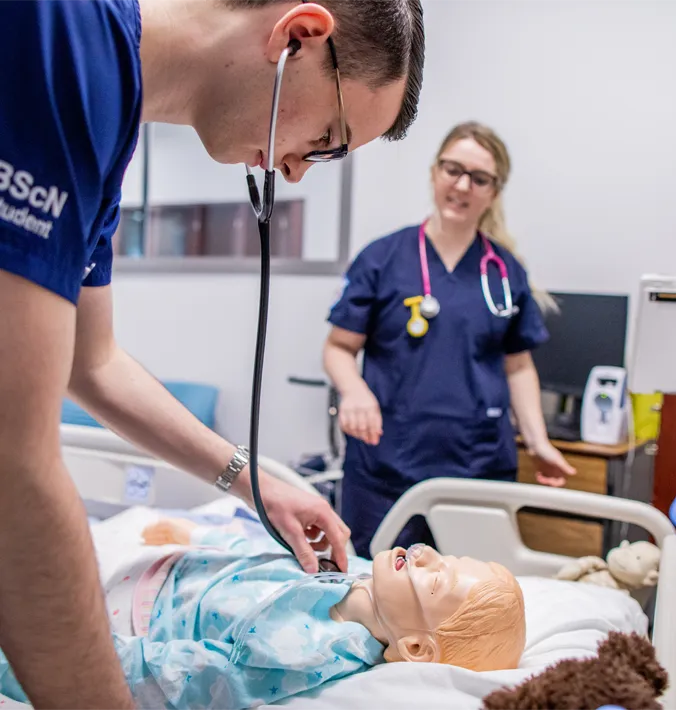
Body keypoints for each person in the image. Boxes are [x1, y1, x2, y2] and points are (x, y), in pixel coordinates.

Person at [0, 0, 425, 707]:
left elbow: (92, 362)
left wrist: (251, 480)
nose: (296, 172)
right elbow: (14, 458)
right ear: (299, 37)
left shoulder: (105, 132)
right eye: (328, 138)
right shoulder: (62, 35)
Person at [323, 121, 576, 558]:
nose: (462, 185)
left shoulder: (504, 271)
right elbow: (339, 348)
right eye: (452, 170)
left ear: (494, 192)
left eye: (479, 178)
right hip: (387, 469)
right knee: (380, 596)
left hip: (477, 470)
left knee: (473, 604)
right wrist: (353, 389)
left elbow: (518, 367)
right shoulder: (383, 258)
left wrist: (538, 441)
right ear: (434, 173)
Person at [0, 515, 526, 709]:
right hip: (177, 562)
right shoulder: (362, 574)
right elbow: (265, 555)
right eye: (446, 556)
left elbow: (177, 675)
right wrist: (200, 535)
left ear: (414, 648)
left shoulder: (304, 653)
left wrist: (31, 663)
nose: (428, 554)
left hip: (134, 611)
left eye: (437, 579)